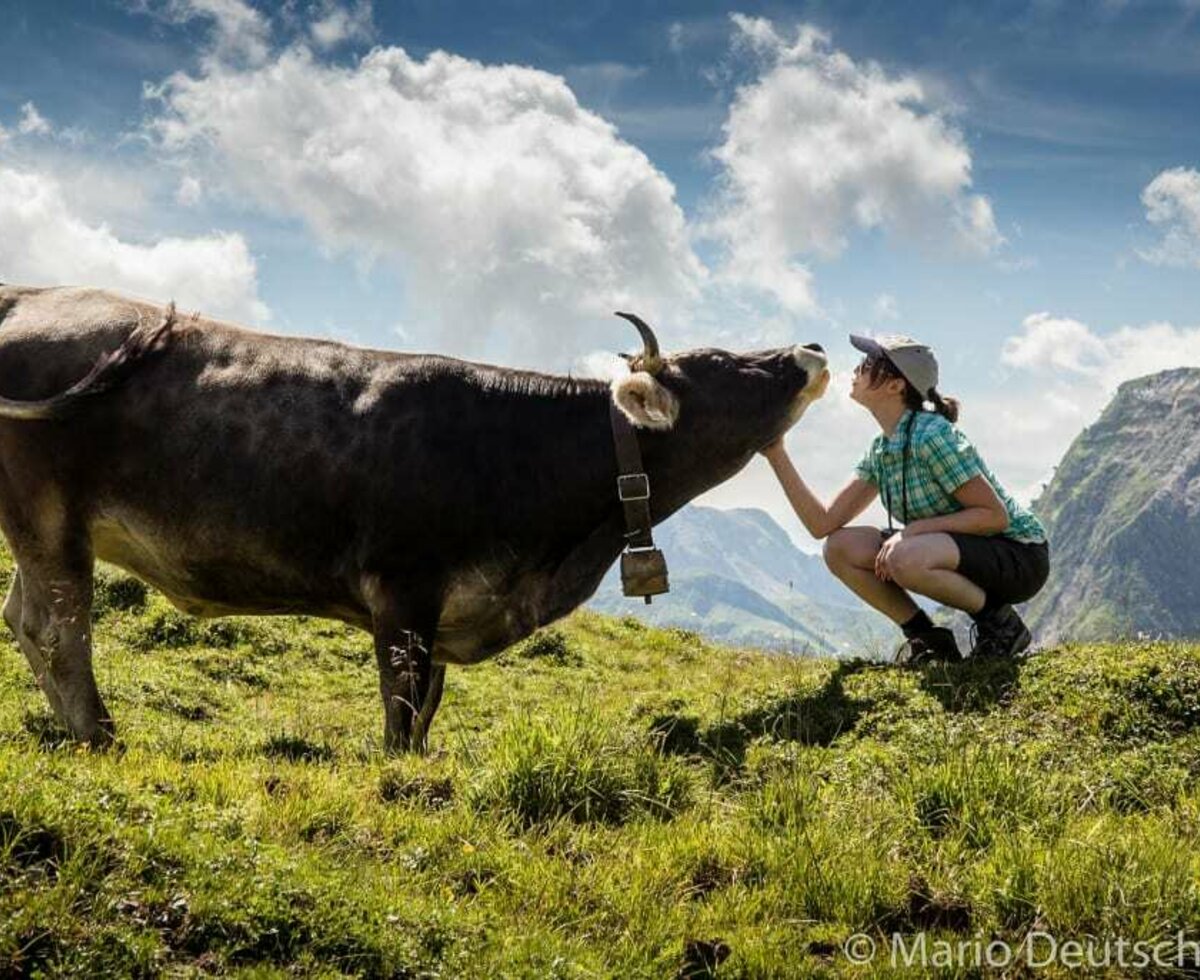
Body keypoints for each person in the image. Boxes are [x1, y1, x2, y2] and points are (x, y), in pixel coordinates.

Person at [761, 334, 1049, 666]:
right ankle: (928, 640)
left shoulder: (932, 435)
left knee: (903, 555)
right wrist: (776, 452)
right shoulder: (882, 448)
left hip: (1018, 556)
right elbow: (822, 523)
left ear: (896, 386)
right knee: (839, 547)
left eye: (869, 363)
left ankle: (1003, 627)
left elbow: (992, 516)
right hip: (954, 552)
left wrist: (911, 532)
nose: (857, 368)